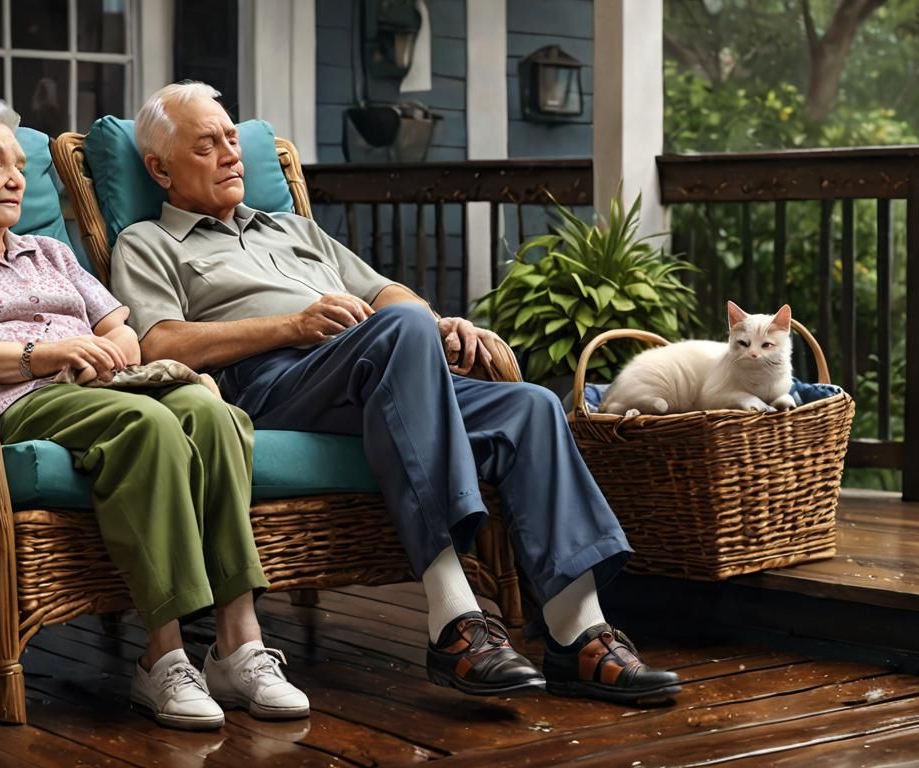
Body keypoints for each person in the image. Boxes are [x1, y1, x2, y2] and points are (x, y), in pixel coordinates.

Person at [110, 82, 683, 705]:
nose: (231, 155)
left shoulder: (293, 229)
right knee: (404, 334)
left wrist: (440, 322)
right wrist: (291, 326)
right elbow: (157, 344)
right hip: (274, 384)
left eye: (231, 139)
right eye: (207, 145)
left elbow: (390, 295)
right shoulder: (148, 242)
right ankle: (454, 616)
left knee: (531, 408)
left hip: (379, 370)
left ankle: (578, 632)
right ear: (160, 168)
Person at [0, 99, 308, 730]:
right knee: (148, 425)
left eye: (20, 165)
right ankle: (163, 657)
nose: (17, 178)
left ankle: (239, 643)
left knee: (216, 418)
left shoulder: (50, 252)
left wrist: (105, 354)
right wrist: (39, 355)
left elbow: (124, 332)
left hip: (94, 392)